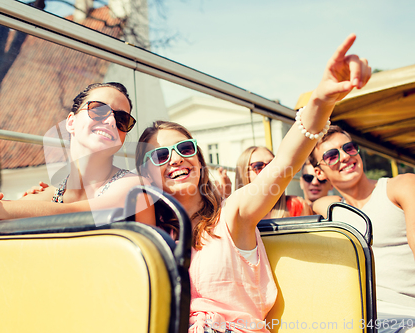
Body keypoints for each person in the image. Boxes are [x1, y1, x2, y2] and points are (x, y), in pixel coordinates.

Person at [135, 33, 371, 333]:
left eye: (185, 148)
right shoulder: (148, 232)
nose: (177, 159)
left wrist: (320, 101)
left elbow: (284, 163)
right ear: (145, 174)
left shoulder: (232, 213)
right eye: (160, 155)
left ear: (198, 158)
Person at [0, 82, 154, 249]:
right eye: (98, 109)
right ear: (70, 122)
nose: (111, 120)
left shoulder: (135, 186)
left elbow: (83, 214)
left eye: (122, 119)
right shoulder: (48, 194)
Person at [311, 125, 415, 330]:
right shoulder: (332, 207)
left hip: (406, 314)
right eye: (331, 156)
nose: (344, 157)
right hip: (358, 318)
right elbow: (319, 204)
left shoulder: (400, 186)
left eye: (349, 148)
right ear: (319, 172)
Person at [235, 146, 313, 218]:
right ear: (243, 174)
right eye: (258, 166)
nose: (268, 171)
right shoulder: (234, 213)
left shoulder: (296, 205)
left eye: (272, 165)